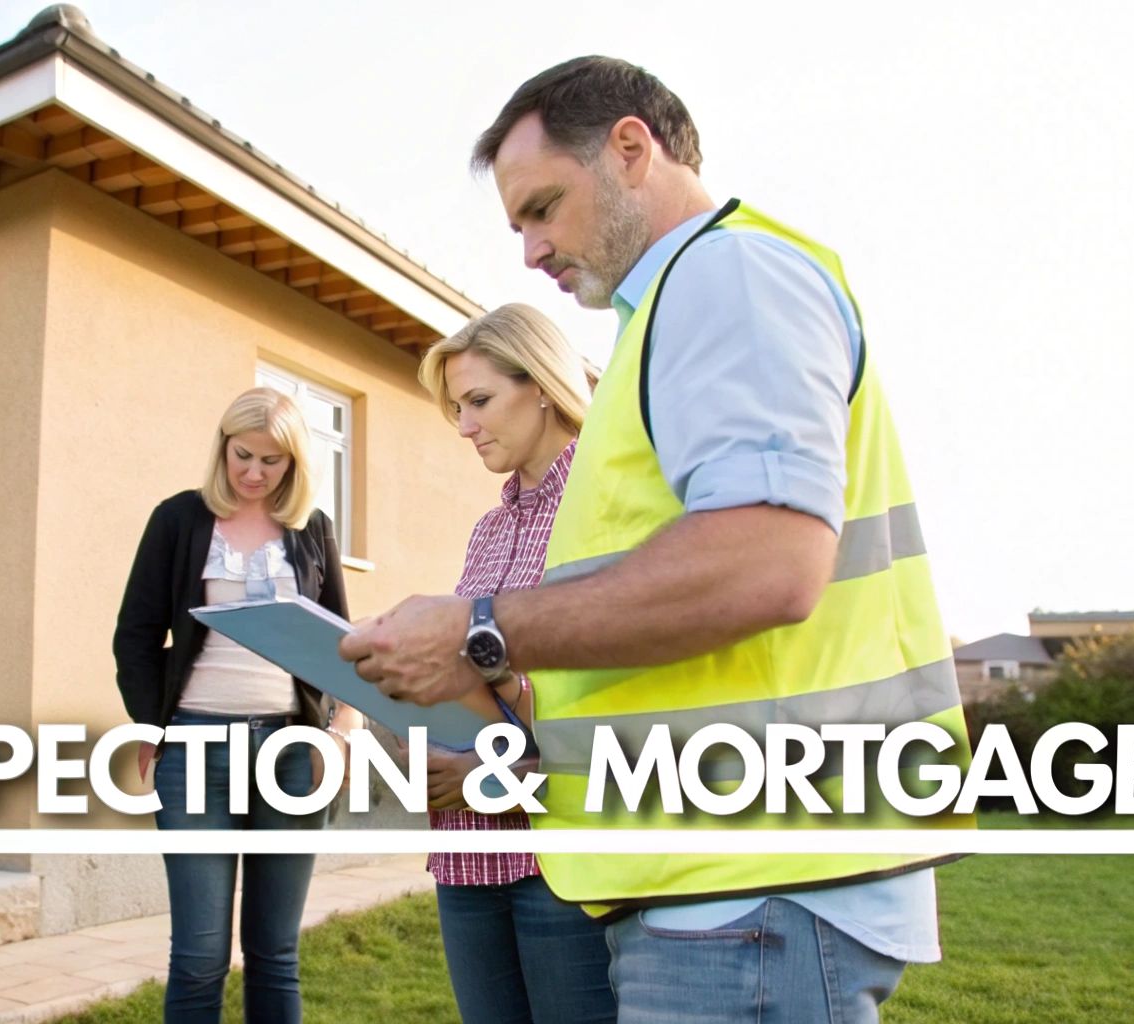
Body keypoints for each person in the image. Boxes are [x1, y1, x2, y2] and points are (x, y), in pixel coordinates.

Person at [338, 57, 973, 1023]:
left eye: (543, 207)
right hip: (713, 876)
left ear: (631, 149)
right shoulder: (667, 317)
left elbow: (767, 562)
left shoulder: (727, 275)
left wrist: (473, 630)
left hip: (752, 882)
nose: (531, 252)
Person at [115, 386, 364, 1024]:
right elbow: (136, 635)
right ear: (222, 449)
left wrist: (338, 733)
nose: (253, 473)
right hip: (195, 748)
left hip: (290, 753)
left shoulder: (313, 531)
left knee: (275, 952)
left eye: (271, 461)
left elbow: (344, 645)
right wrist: (151, 725)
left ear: (295, 464)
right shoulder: (178, 519)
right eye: (242, 455)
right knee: (198, 954)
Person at [411, 303, 614, 1024]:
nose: (465, 427)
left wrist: (500, 695)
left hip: (556, 856)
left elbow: (616, 694)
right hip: (466, 854)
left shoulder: (607, 507)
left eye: (479, 401)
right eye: (457, 408)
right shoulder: (488, 530)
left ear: (543, 386)